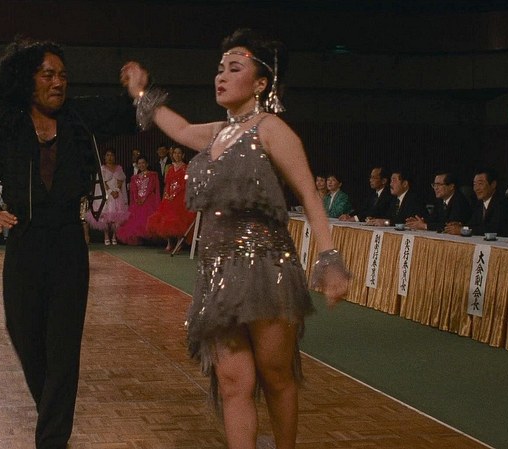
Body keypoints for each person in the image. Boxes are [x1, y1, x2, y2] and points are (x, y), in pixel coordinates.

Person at [130, 28, 350, 449]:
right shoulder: (216, 133)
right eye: (219, 69)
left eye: (234, 68)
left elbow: (309, 194)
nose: (221, 76)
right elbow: (178, 127)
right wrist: (141, 93)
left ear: (261, 83)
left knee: (276, 375)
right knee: (233, 382)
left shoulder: (271, 129)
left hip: (267, 270)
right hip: (216, 276)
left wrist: (329, 258)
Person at [0, 38, 145, 449]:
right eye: (48, 75)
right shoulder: (3, 124)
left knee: (63, 346)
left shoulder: (78, 118)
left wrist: (137, 91)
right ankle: (52, 412)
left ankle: (52, 439)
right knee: (22, 331)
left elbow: (129, 114)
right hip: (24, 239)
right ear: (27, 80)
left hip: (68, 242)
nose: (58, 82)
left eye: (62, 75)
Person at [444, 168, 508, 239]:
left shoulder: (502, 203)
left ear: (493, 184)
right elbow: (474, 225)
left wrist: (462, 230)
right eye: (474, 184)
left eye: (480, 184)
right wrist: (461, 225)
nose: (476, 188)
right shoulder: (479, 203)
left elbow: (492, 230)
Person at [146, 146, 195, 251]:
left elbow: (187, 184)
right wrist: (166, 194)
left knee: (179, 219)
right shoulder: (170, 168)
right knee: (166, 219)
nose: (177, 155)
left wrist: (177, 193)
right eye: (175, 153)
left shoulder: (187, 168)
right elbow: (167, 183)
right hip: (169, 197)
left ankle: (179, 243)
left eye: (179, 153)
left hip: (181, 197)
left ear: (183, 155)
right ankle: (169, 243)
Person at [85, 149, 129, 245]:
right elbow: (102, 182)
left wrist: (116, 190)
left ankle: (114, 236)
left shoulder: (119, 168)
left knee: (116, 215)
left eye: (112, 155)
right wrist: (109, 191)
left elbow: (121, 180)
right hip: (106, 194)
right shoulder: (102, 169)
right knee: (106, 215)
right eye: (108, 155)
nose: (110, 157)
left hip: (117, 194)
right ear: (104, 157)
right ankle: (106, 235)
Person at [116, 155, 160, 245]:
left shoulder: (153, 175)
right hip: (137, 202)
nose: (141, 165)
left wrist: (151, 200)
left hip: (149, 201)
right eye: (139, 163)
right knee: (135, 221)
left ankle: (149, 240)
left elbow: (156, 189)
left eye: (143, 163)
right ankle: (140, 239)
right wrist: (136, 200)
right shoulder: (134, 178)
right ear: (137, 165)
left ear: (147, 164)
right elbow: (133, 192)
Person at [405, 171, 470, 232]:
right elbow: (433, 219)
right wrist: (420, 222)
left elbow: (450, 226)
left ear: (451, 186)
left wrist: (424, 225)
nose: (435, 188)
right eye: (434, 185)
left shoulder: (459, 201)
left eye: (439, 185)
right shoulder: (440, 200)